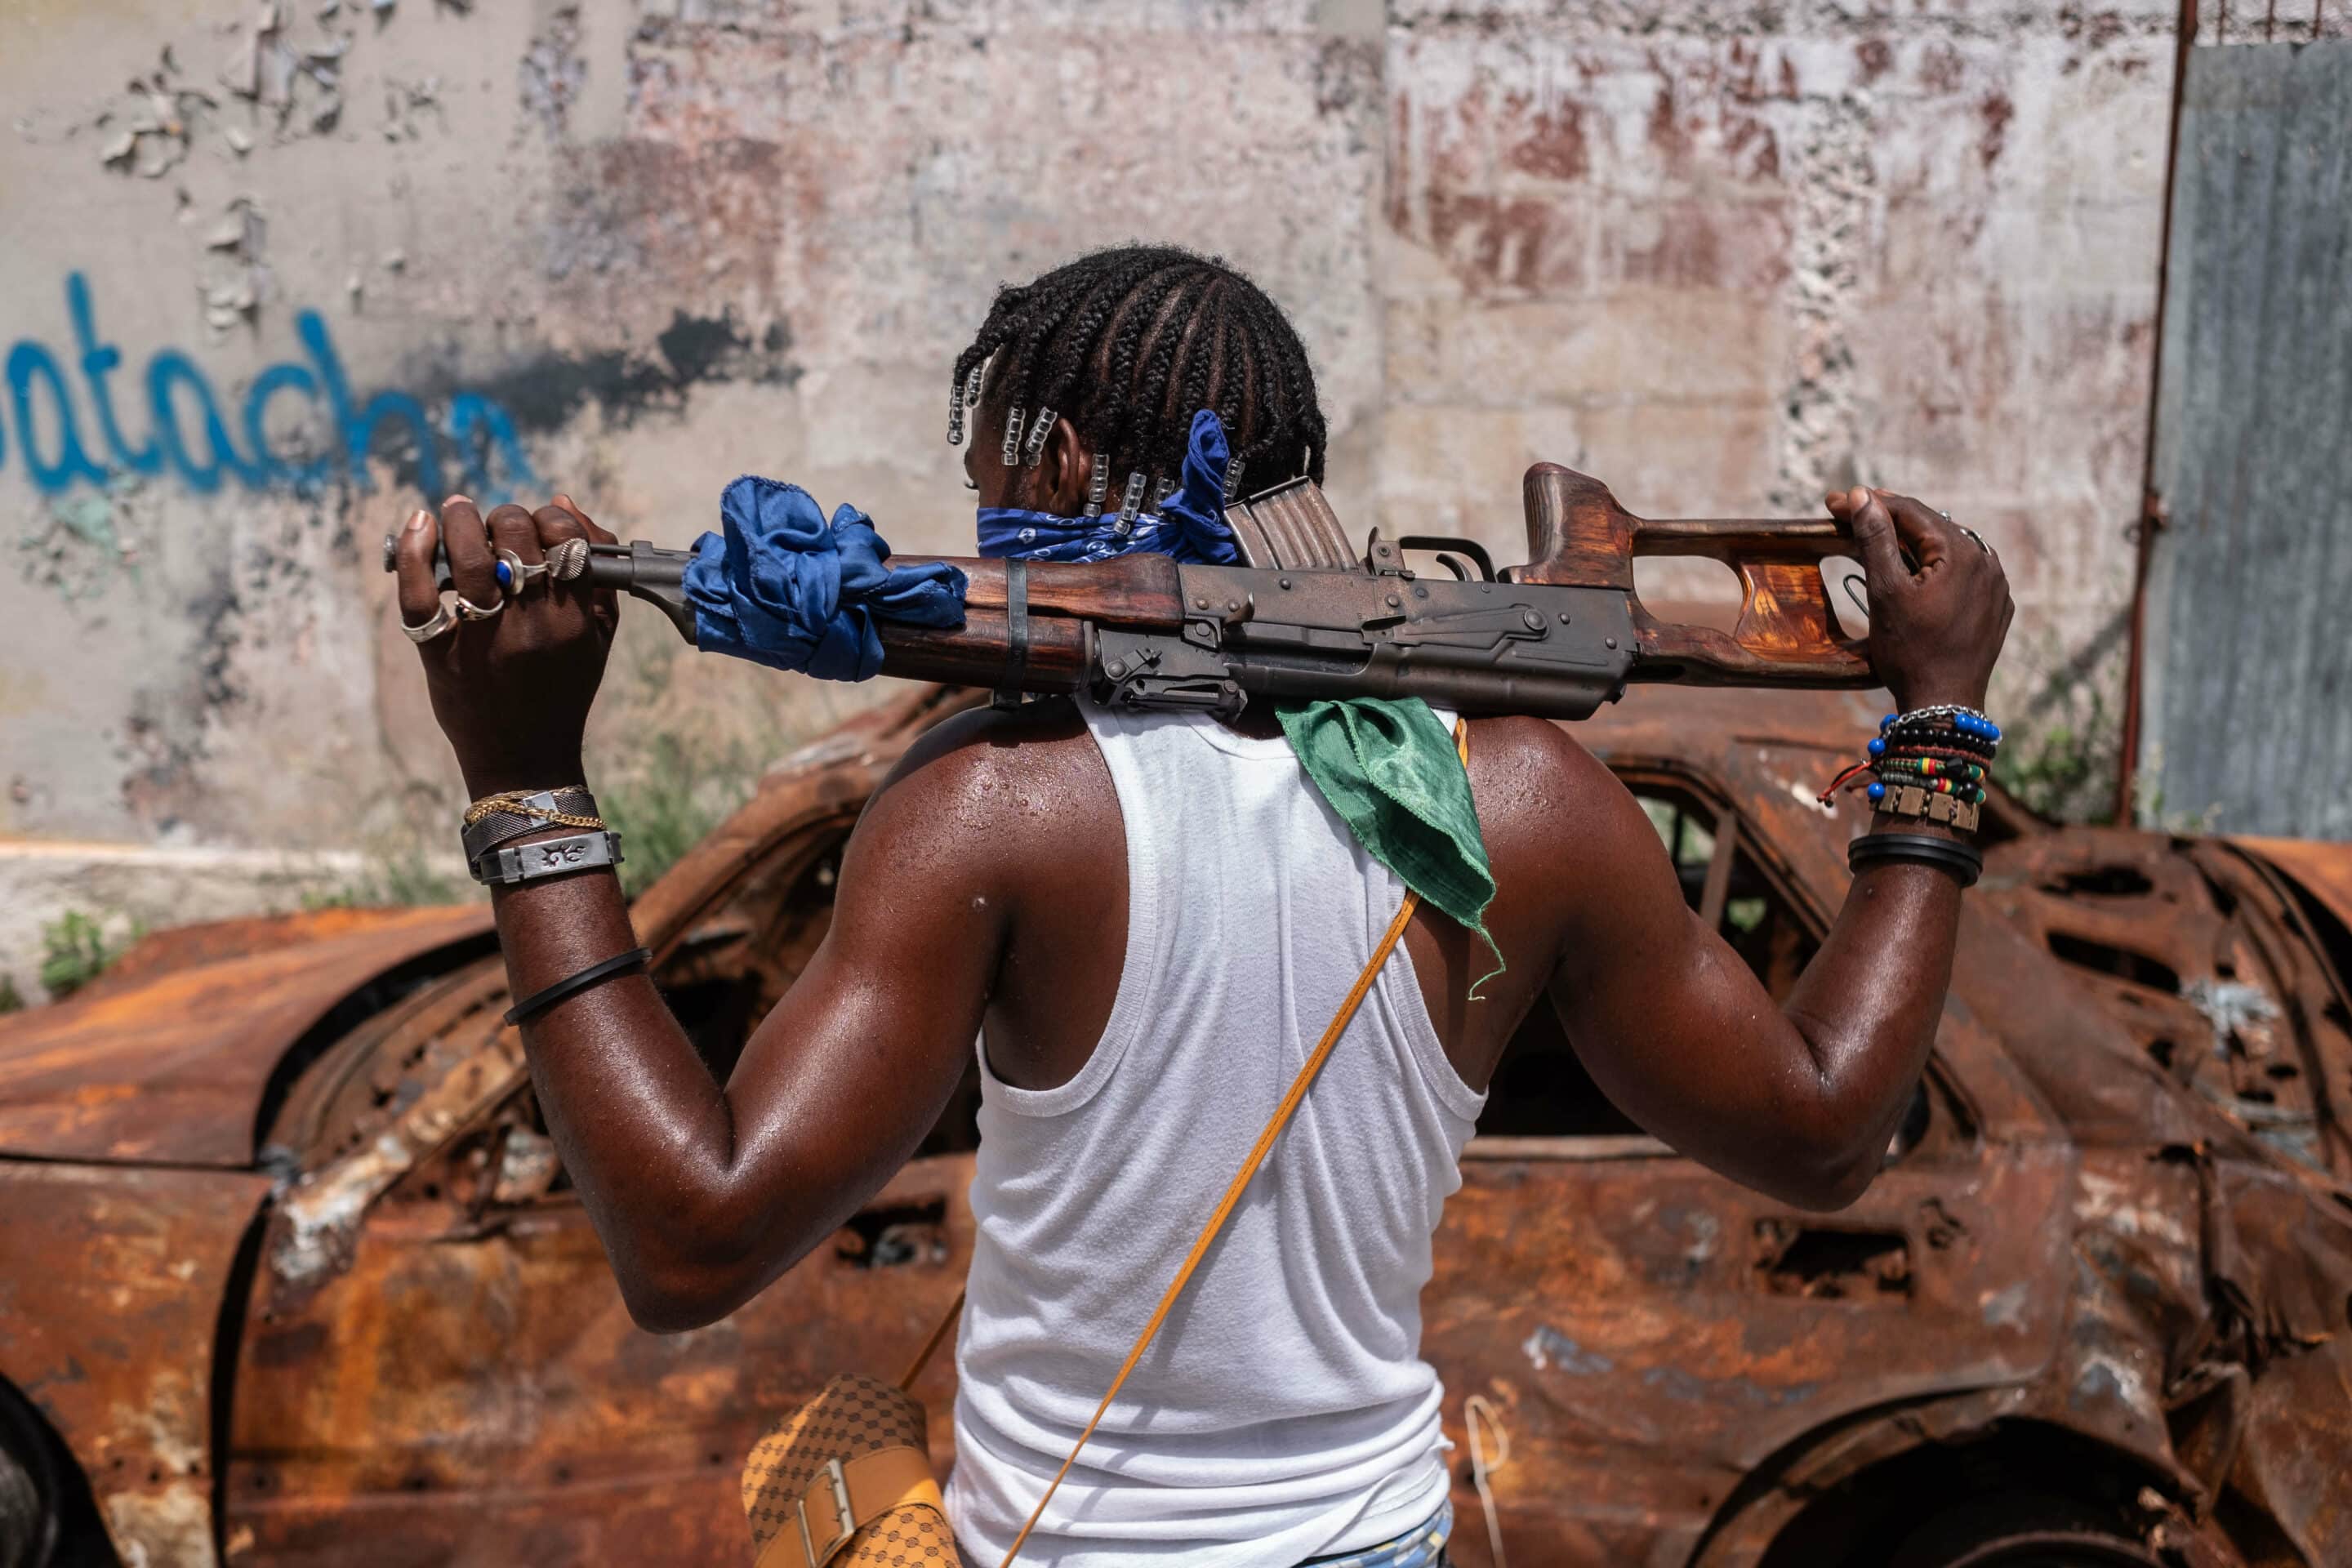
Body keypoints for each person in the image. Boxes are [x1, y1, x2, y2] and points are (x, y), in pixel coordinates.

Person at [390, 245, 2011, 1566]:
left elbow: (690, 1241)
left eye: (988, 479)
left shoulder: (994, 804)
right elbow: (1823, 1128)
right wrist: (1939, 726)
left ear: (1061, 463)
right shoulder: (1531, 799)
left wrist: (527, 783)